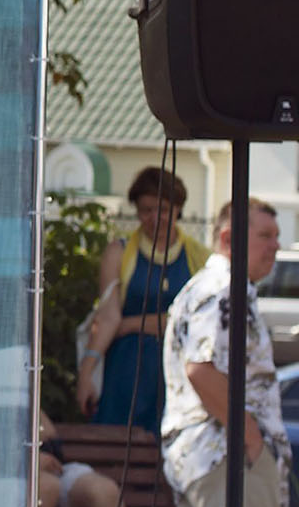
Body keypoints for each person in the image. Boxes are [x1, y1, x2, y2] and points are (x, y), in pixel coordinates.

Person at [159, 197, 292, 507]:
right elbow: (201, 369)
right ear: (229, 238)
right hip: (227, 461)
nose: (275, 246)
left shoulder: (208, 287)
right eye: (265, 235)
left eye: (277, 236)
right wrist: (250, 438)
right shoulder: (223, 289)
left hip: (204, 459)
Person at [78, 167, 210, 431]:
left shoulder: (200, 258)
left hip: (178, 373)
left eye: (162, 209)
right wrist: (85, 373)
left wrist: (129, 325)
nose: (154, 218)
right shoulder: (119, 252)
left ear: (178, 208)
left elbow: (192, 323)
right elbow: (107, 317)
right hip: (126, 371)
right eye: (145, 210)